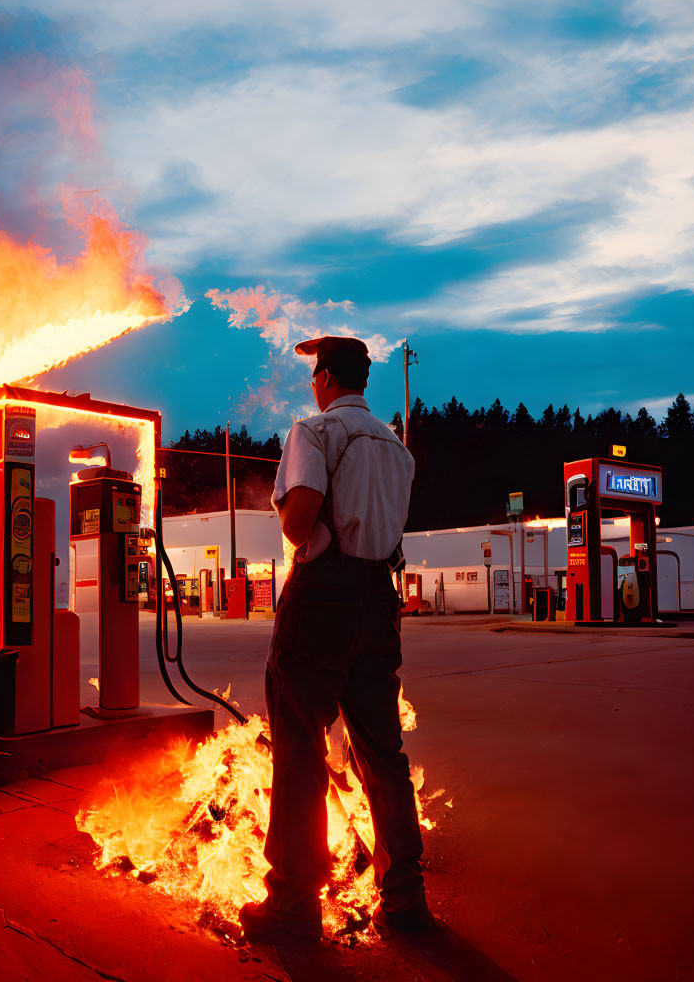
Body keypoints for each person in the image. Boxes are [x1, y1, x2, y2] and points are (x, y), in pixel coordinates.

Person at [239, 335, 433, 942]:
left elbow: (299, 525)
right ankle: (404, 898)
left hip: (322, 599)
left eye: (312, 376)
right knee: (383, 754)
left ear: (322, 378)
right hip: (379, 600)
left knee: (299, 752)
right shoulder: (397, 449)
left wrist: (287, 512)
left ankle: (295, 905)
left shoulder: (315, 433)